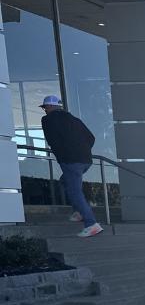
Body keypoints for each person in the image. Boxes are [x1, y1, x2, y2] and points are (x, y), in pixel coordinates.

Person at [39, 95, 102, 238]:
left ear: (49, 107)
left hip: (70, 161)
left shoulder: (47, 120)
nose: (44, 110)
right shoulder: (74, 120)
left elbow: (51, 140)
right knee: (65, 181)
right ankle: (79, 211)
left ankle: (91, 224)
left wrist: (63, 152)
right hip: (85, 160)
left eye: (45, 107)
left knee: (75, 192)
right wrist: (82, 151)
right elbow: (91, 138)